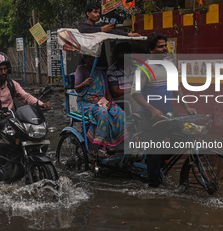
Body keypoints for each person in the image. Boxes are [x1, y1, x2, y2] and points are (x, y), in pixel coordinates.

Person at [131, 33, 196, 187]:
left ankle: (162, 158)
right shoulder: (144, 69)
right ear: (151, 50)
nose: (164, 49)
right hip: (150, 116)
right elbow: (135, 93)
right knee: (154, 151)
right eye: (160, 46)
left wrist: (187, 107)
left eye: (165, 45)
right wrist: (152, 110)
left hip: (168, 113)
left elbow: (176, 89)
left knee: (184, 136)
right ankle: (153, 187)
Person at [0, 52, 51, 155]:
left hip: (9, 117)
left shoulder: (12, 84)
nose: (3, 72)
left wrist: (41, 104)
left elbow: (26, 97)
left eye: (5, 69)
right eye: (0, 70)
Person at [74, 55, 126, 157]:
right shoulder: (81, 69)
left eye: (95, 59)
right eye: (91, 58)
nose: (93, 61)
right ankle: (103, 147)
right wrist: (84, 84)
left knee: (119, 113)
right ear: (85, 59)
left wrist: (109, 104)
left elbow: (108, 93)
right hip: (87, 102)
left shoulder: (101, 73)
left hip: (101, 101)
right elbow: (77, 88)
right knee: (103, 113)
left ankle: (115, 143)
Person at [106, 42, 140, 114]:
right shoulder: (112, 71)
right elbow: (116, 92)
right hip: (121, 97)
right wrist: (132, 90)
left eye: (127, 53)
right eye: (122, 53)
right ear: (117, 55)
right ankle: (138, 121)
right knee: (134, 96)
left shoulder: (135, 67)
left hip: (135, 92)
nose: (125, 56)